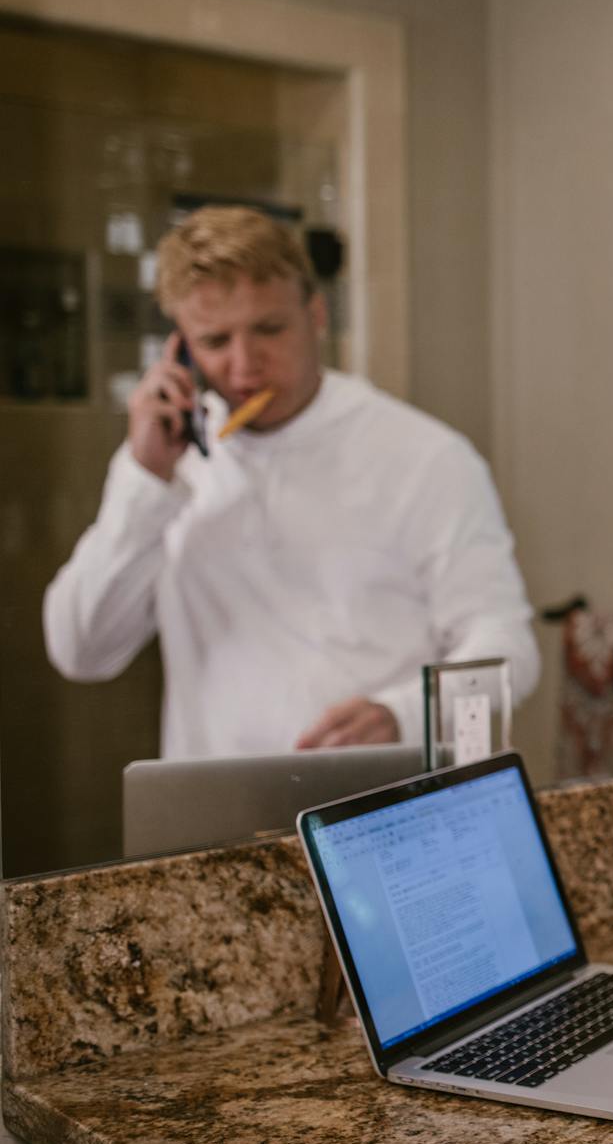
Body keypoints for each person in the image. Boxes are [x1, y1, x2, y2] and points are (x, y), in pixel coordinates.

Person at [44, 206, 539, 758]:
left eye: (269, 329)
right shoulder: (164, 462)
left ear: (316, 314)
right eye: (215, 341)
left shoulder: (427, 457)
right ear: (181, 349)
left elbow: (509, 649)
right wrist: (145, 483)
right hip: (217, 800)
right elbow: (80, 651)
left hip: (378, 794)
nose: (244, 365)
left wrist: (403, 714)